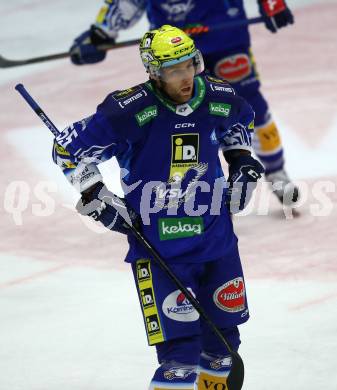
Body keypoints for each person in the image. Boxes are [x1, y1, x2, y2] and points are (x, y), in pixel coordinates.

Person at [54, 25, 264, 389]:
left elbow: (238, 124)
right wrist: (95, 194)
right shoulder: (127, 111)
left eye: (189, 65)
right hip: (159, 249)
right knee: (180, 358)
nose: (185, 77)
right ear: (153, 72)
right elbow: (66, 150)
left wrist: (242, 160)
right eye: (173, 70)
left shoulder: (218, 95)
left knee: (223, 347)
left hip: (216, 241)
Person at [69, 0, 299, 206]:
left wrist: (273, 2)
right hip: (169, 51)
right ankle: (201, 195)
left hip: (226, 38)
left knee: (249, 105)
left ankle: (277, 172)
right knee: (184, 117)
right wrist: (101, 33)